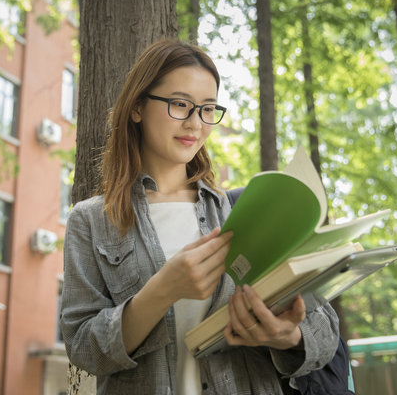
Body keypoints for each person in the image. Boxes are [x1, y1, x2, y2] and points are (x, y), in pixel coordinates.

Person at [60, 38, 340, 395]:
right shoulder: (91, 220)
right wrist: (162, 290)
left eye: (207, 109)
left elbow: (325, 333)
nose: (195, 123)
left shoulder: (241, 211)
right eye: (180, 104)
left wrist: (288, 336)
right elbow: (83, 348)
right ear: (137, 108)